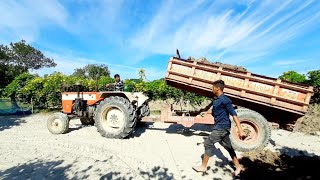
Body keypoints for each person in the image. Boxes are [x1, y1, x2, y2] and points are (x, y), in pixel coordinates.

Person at [192, 80, 246, 176]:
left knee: (208, 143)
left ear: (217, 88)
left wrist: (240, 129)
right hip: (220, 126)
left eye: (212, 87)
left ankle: (203, 167)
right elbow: (216, 111)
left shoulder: (226, 100)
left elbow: (234, 114)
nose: (211, 89)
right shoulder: (216, 100)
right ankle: (238, 167)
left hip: (222, 127)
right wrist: (206, 112)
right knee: (229, 148)